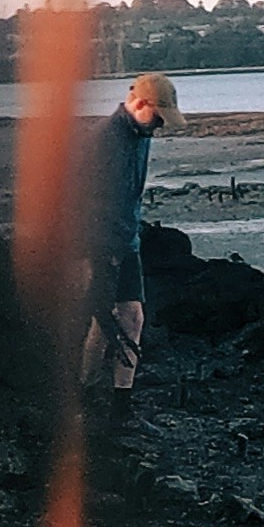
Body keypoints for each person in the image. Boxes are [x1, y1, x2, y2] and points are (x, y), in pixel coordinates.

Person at [80, 69, 182, 413]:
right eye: (157, 117)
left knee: (133, 318)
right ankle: (86, 392)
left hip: (128, 239)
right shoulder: (105, 141)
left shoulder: (141, 133)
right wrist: (101, 254)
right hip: (102, 242)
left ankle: (123, 403)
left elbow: (129, 196)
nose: (160, 126)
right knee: (102, 319)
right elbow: (92, 201)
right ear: (138, 103)